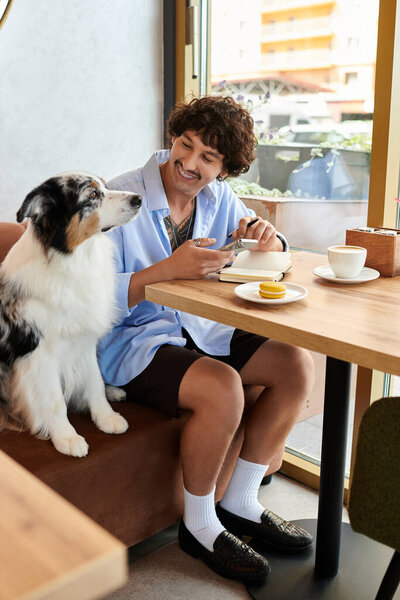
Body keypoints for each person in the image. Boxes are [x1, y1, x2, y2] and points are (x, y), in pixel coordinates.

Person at [98, 96, 315, 582]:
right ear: (173, 138)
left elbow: (271, 251)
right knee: (222, 386)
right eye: (185, 144)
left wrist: (268, 239)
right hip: (132, 338)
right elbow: (90, 299)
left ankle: (241, 500)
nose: (189, 163)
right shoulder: (118, 196)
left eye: (208, 158)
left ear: (225, 169)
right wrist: (163, 272)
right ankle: (198, 526)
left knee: (294, 366)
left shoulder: (217, 200)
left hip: (200, 327)